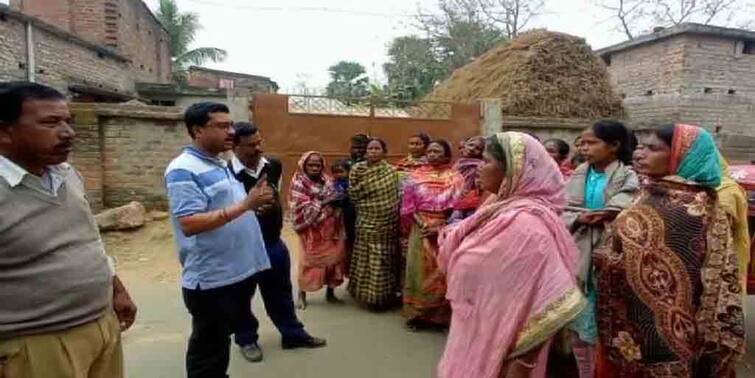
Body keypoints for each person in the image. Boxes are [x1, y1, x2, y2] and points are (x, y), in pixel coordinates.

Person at [0, 82, 137, 378]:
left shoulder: (66, 174)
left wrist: (115, 287)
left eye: (68, 122)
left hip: (101, 325)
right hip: (35, 346)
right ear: (4, 131)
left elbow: (89, 238)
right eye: (51, 123)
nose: (68, 133)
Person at [595, 124, 745, 377]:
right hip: (644, 325)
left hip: (660, 329)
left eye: (654, 149)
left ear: (684, 155)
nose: (640, 154)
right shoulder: (655, 193)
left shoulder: (686, 206)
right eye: (641, 147)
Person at [437, 132, 586, 378]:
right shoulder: (497, 209)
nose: (479, 169)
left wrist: (522, 367)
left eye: (486, 161)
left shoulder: (527, 226)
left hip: (503, 356)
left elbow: (548, 305)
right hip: (475, 334)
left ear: (513, 171)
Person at [164, 103, 273, 377]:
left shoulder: (218, 163)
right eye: (222, 126)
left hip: (234, 273)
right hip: (212, 279)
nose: (232, 132)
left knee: (219, 343)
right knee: (208, 349)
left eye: (231, 125)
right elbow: (189, 223)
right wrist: (245, 205)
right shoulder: (183, 169)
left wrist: (251, 206)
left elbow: (227, 207)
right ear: (197, 130)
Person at [229, 122, 326, 363]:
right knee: (241, 296)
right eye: (252, 145)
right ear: (234, 146)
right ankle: (246, 338)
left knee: (281, 293)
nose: (259, 148)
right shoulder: (224, 172)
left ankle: (292, 334)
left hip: (273, 242)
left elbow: (277, 195)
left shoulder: (273, 166)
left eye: (260, 142)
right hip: (242, 247)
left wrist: (271, 206)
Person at [562, 120, 639, 378]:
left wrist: (605, 214)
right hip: (578, 253)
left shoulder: (628, 176)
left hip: (610, 255)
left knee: (603, 321)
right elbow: (562, 209)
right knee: (578, 320)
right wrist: (578, 218)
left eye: (591, 142)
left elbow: (626, 204)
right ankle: (585, 371)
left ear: (614, 146)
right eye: (582, 143)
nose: (584, 148)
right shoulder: (579, 174)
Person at [400, 140, 463, 329]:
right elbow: (408, 205)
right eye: (430, 151)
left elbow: (457, 206)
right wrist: (422, 224)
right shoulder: (415, 175)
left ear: (446, 155)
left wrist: (441, 226)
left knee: (440, 271)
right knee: (417, 271)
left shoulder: (455, 176)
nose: (432, 154)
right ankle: (416, 316)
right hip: (419, 228)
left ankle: (438, 317)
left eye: (437, 151)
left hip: (444, 229)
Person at [289, 151, 348, 309]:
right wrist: (325, 201)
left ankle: (331, 293)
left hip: (331, 229)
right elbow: (300, 208)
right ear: (304, 165)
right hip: (311, 231)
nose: (315, 168)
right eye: (311, 165)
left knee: (333, 262)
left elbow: (336, 198)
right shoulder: (299, 183)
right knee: (308, 262)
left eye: (318, 165)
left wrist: (331, 202)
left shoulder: (328, 180)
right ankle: (301, 295)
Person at [348, 138, 401, 309]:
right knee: (365, 257)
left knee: (383, 258)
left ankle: (382, 296)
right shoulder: (357, 169)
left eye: (377, 148)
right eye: (370, 148)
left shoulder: (391, 171)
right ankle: (365, 295)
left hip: (387, 222)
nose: (373, 151)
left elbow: (396, 196)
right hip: (365, 219)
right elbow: (353, 193)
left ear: (384, 152)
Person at [451, 136, 485, 222]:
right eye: (471, 145)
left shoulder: (480, 165)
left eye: (478, 148)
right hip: (456, 201)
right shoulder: (459, 163)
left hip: (472, 203)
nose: (472, 149)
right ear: (465, 145)